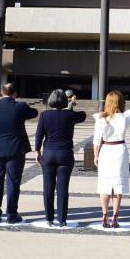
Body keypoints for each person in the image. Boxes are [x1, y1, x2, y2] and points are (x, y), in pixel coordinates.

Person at [0, 83, 38, 224]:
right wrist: (22, 105)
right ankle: (11, 215)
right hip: (15, 150)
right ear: (15, 93)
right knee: (13, 182)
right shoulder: (19, 107)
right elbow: (34, 113)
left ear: (1, 92)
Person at [35, 89, 87, 226]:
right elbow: (83, 116)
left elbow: (39, 135)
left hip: (49, 153)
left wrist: (37, 151)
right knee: (63, 188)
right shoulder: (69, 116)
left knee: (48, 187)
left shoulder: (44, 115)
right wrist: (71, 104)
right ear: (65, 101)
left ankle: (49, 218)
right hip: (65, 153)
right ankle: (62, 219)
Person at [93, 90, 130, 228]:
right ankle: (115, 217)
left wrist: (96, 156)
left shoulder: (101, 118)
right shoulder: (125, 117)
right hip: (120, 150)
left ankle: (104, 215)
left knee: (105, 185)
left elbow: (96, 140)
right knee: (118, 186)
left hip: (106, 150)